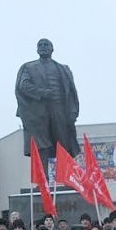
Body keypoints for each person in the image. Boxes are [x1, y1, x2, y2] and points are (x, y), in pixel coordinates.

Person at [15, 38, 80, 171]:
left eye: (46, 45)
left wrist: (73, 111)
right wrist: (42, 93)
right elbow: (23, 85)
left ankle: (67, 177)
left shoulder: (63, 69)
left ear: (52, 49)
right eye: (40, 45)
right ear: (37, 49)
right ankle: (42, 181)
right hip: (38, 112)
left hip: (60, 110)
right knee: (41, 145)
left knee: (64, 143)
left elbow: (72, 92)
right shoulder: (28, 67)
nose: (43, 47)